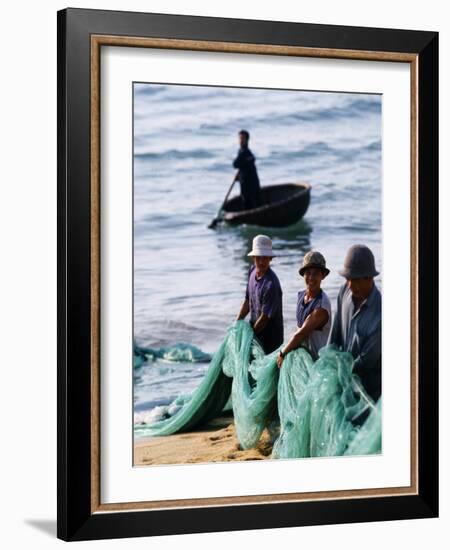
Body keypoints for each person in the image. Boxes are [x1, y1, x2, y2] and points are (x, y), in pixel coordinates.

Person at [328, 244, 382, 404]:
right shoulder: (344, 291)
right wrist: (328, 363)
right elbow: (334, 336)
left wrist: (341, 373)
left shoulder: (380, 316)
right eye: (348, 279)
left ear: (370, 278)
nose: (351, 285)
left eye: (356, 280)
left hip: (367, 392)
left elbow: (365, 363)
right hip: (342, 379)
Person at [277, 251, 332, 367]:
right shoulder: (301, 296)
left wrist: (283, 353)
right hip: (303, 357)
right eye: (308, 273)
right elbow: (298, 329)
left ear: (323, 276)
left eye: (316, 273)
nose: (311, 277)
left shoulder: (321, 305)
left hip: (318, 362)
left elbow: (301, 333)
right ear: (303, 275)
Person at [236, 235, 283, 354]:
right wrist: (237, 322)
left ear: (270, 259)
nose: (261, 262)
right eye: (258, 258)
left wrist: (250, 337)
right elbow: (247, 300)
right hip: (256, 334)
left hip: (270, 341)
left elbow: (265, 317)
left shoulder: (271, 284)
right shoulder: (252, 271)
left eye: (265, 258)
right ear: (253, 257)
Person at [232, 130, 261, 210]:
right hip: (247, 181)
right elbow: (243, 165)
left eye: (242, 139)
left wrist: (241, 166)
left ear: (247, 140)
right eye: (240, 139)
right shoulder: (244, 152)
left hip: (249, 182)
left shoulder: (245, 152)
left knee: (249, 201)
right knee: (249, 201)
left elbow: (235, 164)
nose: (240, 141)